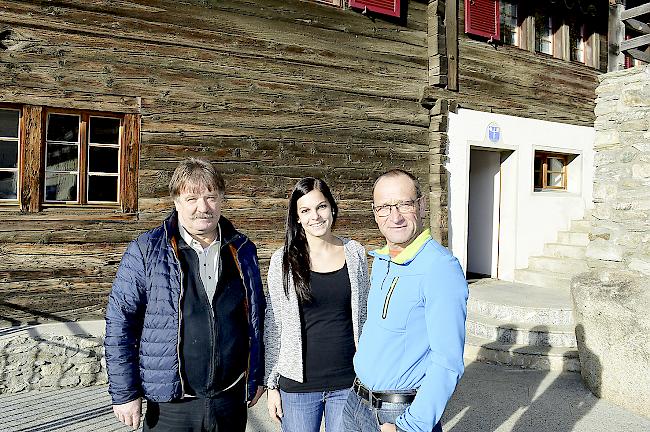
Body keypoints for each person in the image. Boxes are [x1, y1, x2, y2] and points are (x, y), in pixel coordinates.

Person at [104, 158, 266, 431]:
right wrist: (125, 393)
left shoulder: (243, 249)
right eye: (192, 198)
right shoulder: (147, 251)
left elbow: (256, 317)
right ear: (176, 201)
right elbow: (120, 323)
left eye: (211, 197)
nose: (203, 207)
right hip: (172, 405)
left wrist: (257, 374)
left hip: (229, 400)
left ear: (222, 199)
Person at [342, 169, 468, 432]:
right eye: (385, 207)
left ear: (421, 206)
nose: (395, 216)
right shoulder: (382, 259)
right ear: (375, 213)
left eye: (404, 204)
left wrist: (410, 426)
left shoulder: (440, 268)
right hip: (356, 402)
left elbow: (447, 360)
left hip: (398, 413)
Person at [264, 177, 370, 432]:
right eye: (305, 210)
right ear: (297, 217)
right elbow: (273, 325)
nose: (316, 216)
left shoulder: (355, 252)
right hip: (298, 386)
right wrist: (271, 385)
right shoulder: (283, 260)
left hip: (347, 381)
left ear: (332, 208)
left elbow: (364, 315)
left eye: (321, 207)